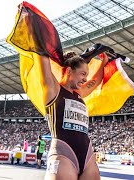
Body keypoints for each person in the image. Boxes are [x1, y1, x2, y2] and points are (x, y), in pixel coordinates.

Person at [35, 50, 108, 179]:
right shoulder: (53, 89)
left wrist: (104, 62)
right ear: (69, 71)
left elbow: (95, 81)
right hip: (63, 154)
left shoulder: (79, 93)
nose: (86, 79)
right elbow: (41, 57)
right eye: (83, 74)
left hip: (87, 156)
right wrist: (40, 36)